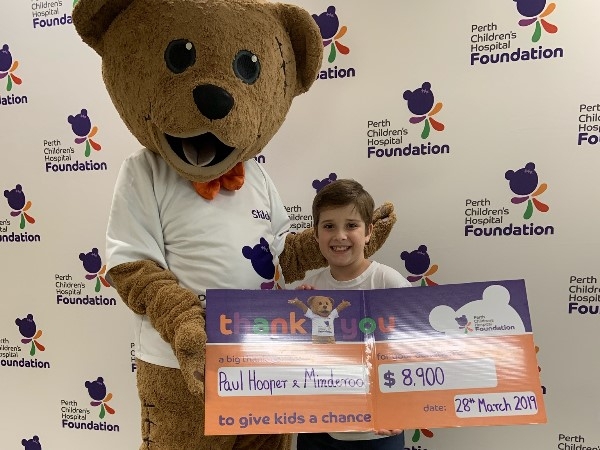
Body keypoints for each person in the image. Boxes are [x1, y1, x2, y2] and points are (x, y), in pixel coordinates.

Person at [295, 179, 410, 450]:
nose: (340, 235)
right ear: (315, 234)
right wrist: (293, 319)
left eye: (351, 225)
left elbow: (414, 351)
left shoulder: (388, 282)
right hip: (318, 430)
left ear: (369, 231)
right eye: (329, 226)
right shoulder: (310, 290)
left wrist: (405, 409)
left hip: (378, 432)